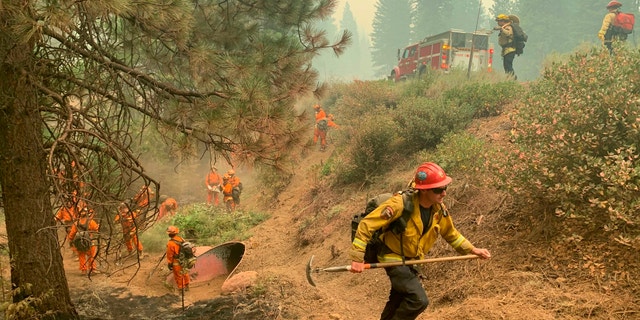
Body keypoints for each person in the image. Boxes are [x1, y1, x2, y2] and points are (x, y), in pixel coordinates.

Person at [350, 162, 491, 320]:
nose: (443, 193)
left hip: (413, 261)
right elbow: (366, 224)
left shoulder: (438, 210)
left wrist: (473, 250)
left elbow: (451, 233)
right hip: (392, 257)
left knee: (398, 299)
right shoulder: (400, 204)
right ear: (424, 190)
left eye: (445, 188)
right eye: (438, 189)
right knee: (418, 300)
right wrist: (356, 258)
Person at [68, 207, 100, 275]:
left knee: (81, 256)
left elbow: (72, 234)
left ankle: (83, 270)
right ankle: (92, 269)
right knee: (91, 255)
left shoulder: (76, 223)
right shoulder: (90, 221)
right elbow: (96, 230)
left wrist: (71, 240)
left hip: (79, 242)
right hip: (89, 241)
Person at [166, 226, 190, 291]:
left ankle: (181, 289)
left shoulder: (170, 243)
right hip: (184, 259)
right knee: (185, 272)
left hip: (176, 261)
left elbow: (170, 255)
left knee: (178, 275)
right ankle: (187, 286)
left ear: (169, 234)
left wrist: (169, 263)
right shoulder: (181, 238)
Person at [494, 14, 517, 79]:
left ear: (503, 21)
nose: (498, 23)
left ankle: (513, 78)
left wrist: (501, 29)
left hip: (510, 50)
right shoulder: (504, 27)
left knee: (508, 65)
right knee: (506, 66)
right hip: (506, 50)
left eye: (499, 21)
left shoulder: (508, 27)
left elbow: (508, 33)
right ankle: (509, 78)